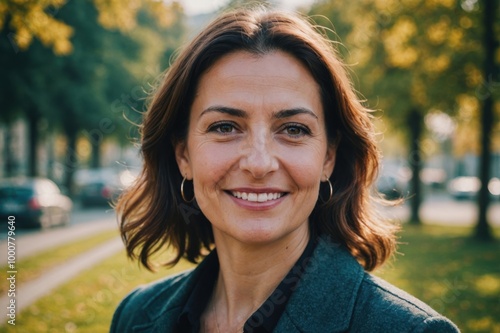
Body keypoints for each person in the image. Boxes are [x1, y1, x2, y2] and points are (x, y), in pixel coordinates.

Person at [110, 6, 460, 333]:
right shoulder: (134, 316)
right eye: (225, 127)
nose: (259, 164)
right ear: (183, 155)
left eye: (293, 129)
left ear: (328, 157)